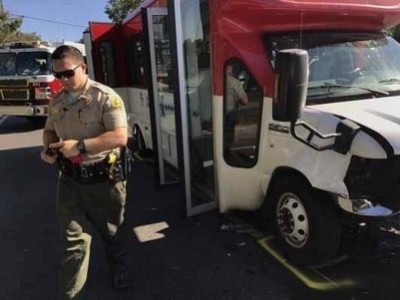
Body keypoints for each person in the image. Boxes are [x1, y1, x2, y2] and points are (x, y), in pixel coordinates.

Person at [40, 45, 130, 299]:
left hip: (105, 182)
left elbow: (120, 136)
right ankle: (70, 295)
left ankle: (119, 268)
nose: (62, 80)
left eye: (68, 73)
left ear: (83, 68)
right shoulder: (56, 101)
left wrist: (79, 146)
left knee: (111, 233)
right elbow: (49, 130)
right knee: (73, 243)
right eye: (57, 75)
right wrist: (49, 148)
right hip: (69, 181)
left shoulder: (105, 97)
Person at [225, 64, 249, 156]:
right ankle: (228, 148)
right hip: (228, 114)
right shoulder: (234, 81)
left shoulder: (208, 78)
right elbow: (245, 101)